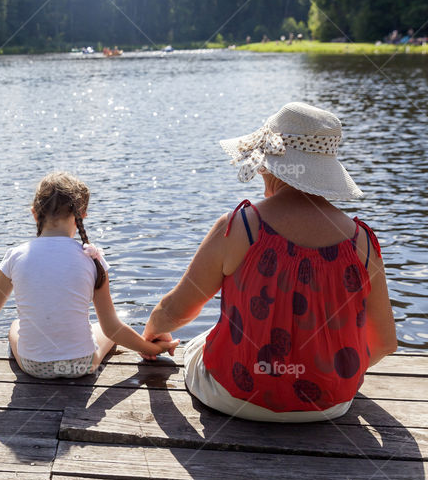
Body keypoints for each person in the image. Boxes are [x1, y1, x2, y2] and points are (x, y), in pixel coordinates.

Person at [142, 102, 397, 421]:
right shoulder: (362, 241)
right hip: (331, 405)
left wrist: (150, 335)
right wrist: (333, 376)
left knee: (198, 342)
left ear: (265, 164)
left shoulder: (240, 226)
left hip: (236, 396)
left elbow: (176, 311)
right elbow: (385, 342)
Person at [0, 172, 177, 378]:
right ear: (81, 217)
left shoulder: (15, 256)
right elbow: (112, 328)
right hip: (82, 367)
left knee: (15, 324)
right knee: (103, 325)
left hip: (34, 367)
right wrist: (150, 348)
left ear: (34, 213)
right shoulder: (92, 258)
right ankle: (143, 342)